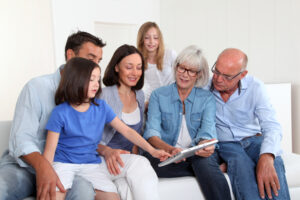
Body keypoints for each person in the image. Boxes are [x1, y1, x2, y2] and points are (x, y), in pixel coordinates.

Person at [43, 57, 169, 200]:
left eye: (98, 79)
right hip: (64, 164)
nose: (96, 84)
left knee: (113, 197)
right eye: (91, 79)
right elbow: (49, 151)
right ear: (76, 80)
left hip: (91, 165)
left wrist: (152, 150)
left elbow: (127, 131)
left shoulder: (101, 107)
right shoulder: (60, 112)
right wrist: (45, 176)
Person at [0, 31, 105, 200]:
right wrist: (43, 166)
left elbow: (88, 138)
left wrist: (107, 150)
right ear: (70, 55)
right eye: (90, 58)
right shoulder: (37, 87)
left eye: (98, 61)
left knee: (84, 192)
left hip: (66, 167)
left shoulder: (92, 95)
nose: (95, 66)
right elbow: (21, 138)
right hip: (24, 167)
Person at [143, 45, 231, 200]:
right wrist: (170, 150)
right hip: (168, 152)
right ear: (176, 67)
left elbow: (207, 131)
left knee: (202, 161)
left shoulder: (206, 98)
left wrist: (205, 145)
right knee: (148, 163)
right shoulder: (158, 95)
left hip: (197, 153)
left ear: (198, 74)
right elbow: (151, 133)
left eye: (191, 71)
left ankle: (208, 167)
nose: (185, 74)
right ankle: (213, 169)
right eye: (182, 68)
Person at [209, 48, 290, 200]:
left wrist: (266, 156)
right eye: (216, 71)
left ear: (242, 75)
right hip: (227, 145)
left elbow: (271, 125)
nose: (218, 79)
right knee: (241, 167)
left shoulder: (255, 87)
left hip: (254, 140)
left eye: (226, 76)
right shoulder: (204, 88)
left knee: (274, 164)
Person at [99, 44, 161, 200]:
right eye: (129, 67)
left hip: (124, 163)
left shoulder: (139, 95)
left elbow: (133, 134)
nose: (135, 73)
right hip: (103, 159)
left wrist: (150, 151)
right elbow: (88, 138)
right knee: (140, 164)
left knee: (125, 188)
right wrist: (107, 151)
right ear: (117, 67)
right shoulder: (103, 95)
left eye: (139, 68)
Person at [137, 21, 177, 104]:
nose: (152, 42)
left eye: (155, 38)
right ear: (141, 40)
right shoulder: (138, 59)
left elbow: (180, 77)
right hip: (151, 102)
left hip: (172, 100)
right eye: (147, 38)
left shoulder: (170, 54)